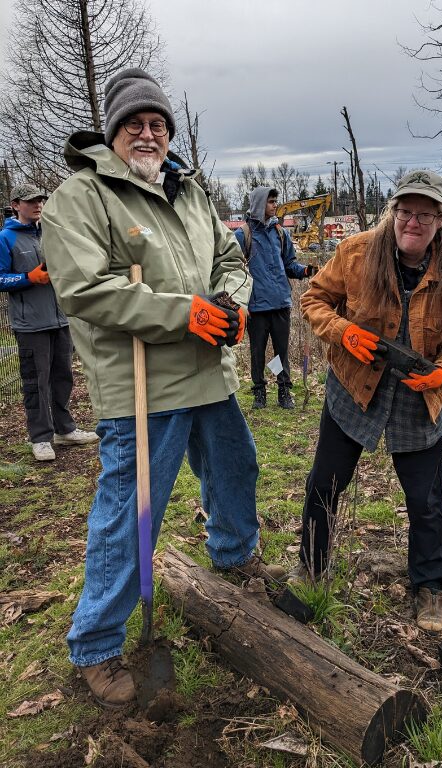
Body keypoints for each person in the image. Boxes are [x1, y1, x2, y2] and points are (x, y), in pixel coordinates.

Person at [42, 68, 285, 709]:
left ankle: (234, 559)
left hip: (210, 373)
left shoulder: (189, 191)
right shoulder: (81, 197)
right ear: (114, 132)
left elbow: (231, 259)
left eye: (158, 124)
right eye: (135, 124)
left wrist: (230, 304)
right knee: (131, 517)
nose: (148, 134)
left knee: (236, 471)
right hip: (143, 386)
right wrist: (183, 313)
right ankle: (95, 645)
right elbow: (85, 289)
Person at [299, 169, 442, 633]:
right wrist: (344, 332)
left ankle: (430, 587)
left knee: (427, 502)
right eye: (404, 211)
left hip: (417, 403)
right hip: (353, 390)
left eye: (424, 214)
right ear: (392, 212)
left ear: (441, 220)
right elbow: (314, 299)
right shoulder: (356, 253)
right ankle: (310, 567)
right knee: (324, 485)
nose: (411, 222)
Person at [1, 183, 99, 460]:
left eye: (40, 200)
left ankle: (64, 429)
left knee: (63, 377)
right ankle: (40, 437)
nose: (38, 205)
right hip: (30, 324)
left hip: (60, 319)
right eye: (31, 201)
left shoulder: (50, 234)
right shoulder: (5, 238)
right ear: (16, 204)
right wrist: (27, 278)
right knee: (36, 381)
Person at [235, 186, 317, 409]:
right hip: (256, 306)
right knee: (257, 353)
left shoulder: (280, 233)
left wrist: (306, 271)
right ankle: (259, 392)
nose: (274, 205)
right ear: (260, 204)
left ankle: (283, 391)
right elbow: (233, 270)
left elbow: (289, 264)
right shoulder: (243, 235)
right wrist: (240, 303)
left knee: (280, 352)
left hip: (280, 302)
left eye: (275, 201)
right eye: (271, 202)